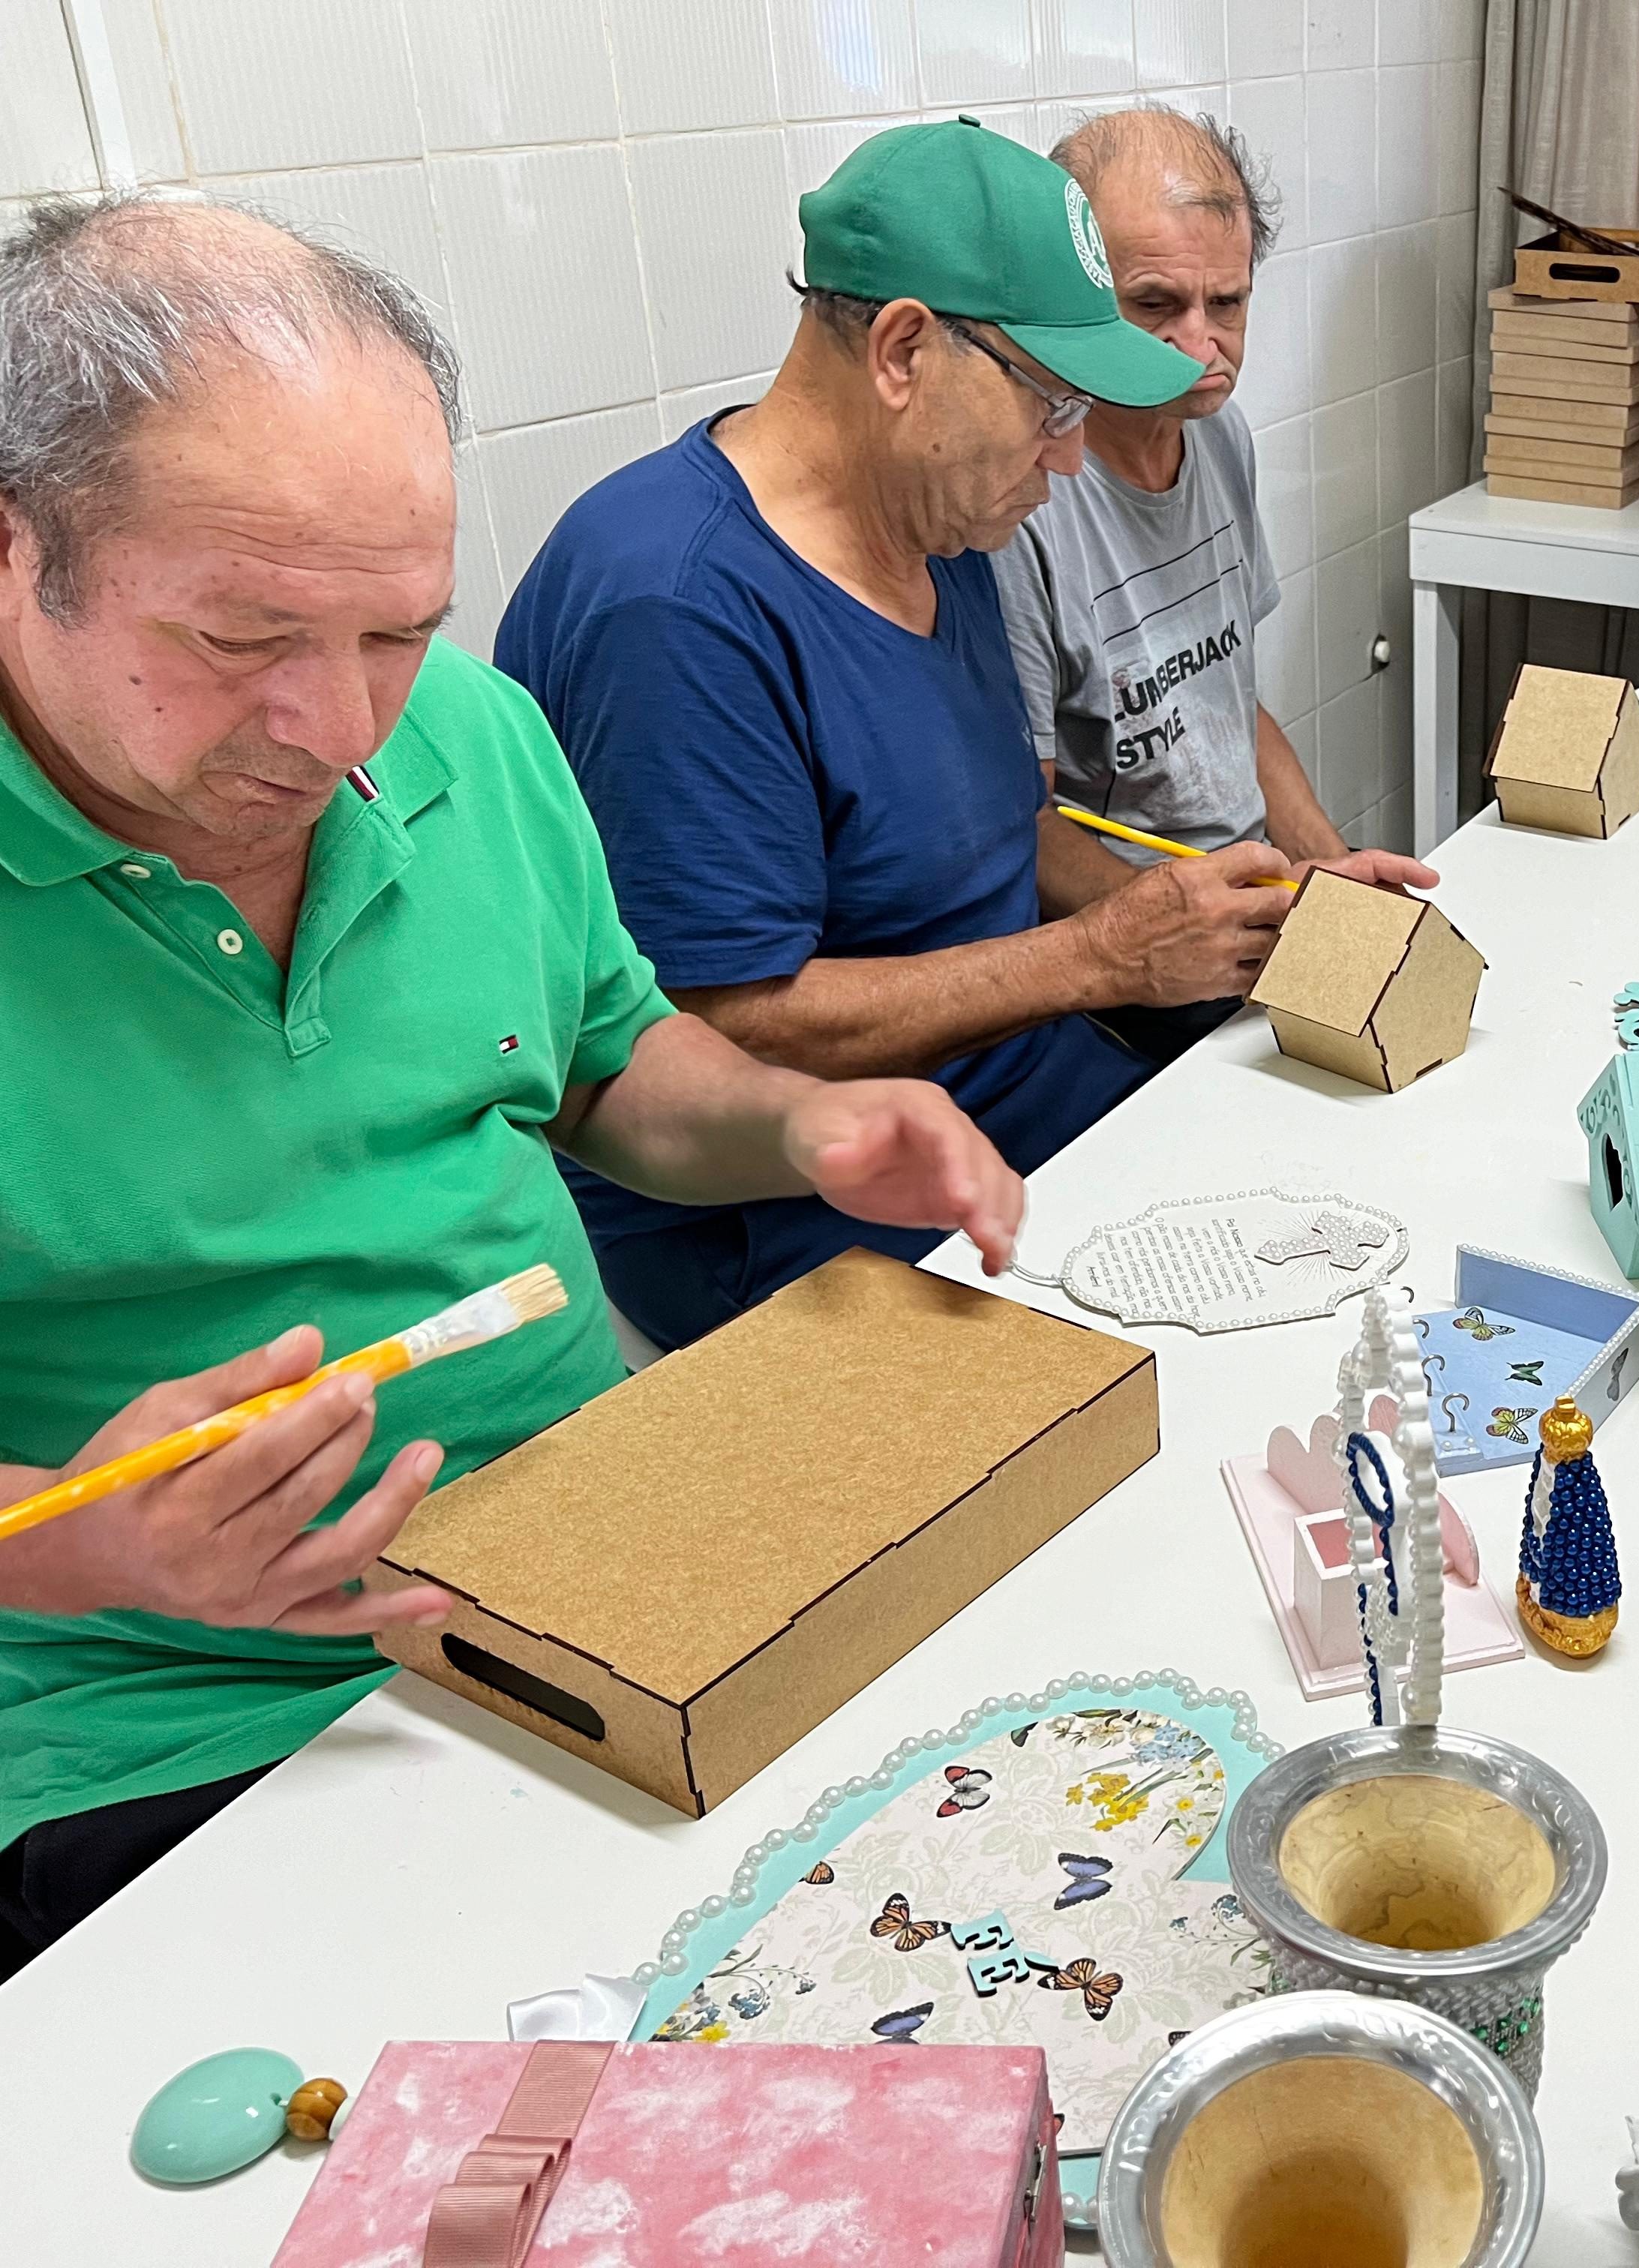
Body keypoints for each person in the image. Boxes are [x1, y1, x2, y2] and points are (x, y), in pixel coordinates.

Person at [0, 196, 1025, 1976]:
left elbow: (612, 1066)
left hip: (600, 1571)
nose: (342, 732)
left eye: (397, 630)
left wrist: (793, 1124)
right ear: (18, 556)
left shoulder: (471, 734)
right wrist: (70, 1546)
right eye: (244, 640)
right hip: (178, 1726)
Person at [499, 119, 1295, 1349]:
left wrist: (1205, 913)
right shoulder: (676, 606)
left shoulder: (944, 526)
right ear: (905, 350)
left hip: (1018, 1093)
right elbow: (715, 1029)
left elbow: (998, 831)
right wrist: (1097, 960)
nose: (1070, 458)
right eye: (1052, 404)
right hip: (801, 1205)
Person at [1001, 106, 1437, 1066]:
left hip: (1244, 915)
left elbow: (1228, 704)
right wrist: (1183, 927)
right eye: (1155, 305)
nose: (1202, 345)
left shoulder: (1219, 435)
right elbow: (1022, 832)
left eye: (1228, 304)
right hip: (1130, 973)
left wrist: (1325, 865)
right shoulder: (1023, 506)